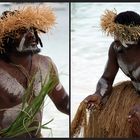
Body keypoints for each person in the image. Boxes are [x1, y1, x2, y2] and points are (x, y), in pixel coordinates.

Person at [0, 6, 69, 138]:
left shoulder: (45, 64)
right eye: (22, 31)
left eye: (32, 29)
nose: (31, 34)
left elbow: (63, 101)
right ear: (6, 38)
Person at [83, 10, 140, 137]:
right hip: (136, 91)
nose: (115, 41)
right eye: (115, 35)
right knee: (98, 109)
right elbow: (106, 79)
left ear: (134, 37)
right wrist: (98, 94)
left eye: (121, 37)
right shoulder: (115, 49)